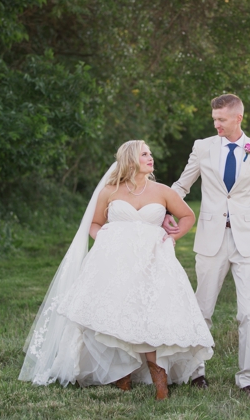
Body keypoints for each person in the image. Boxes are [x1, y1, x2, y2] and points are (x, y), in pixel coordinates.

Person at [20, 140, 214, 400]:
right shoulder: (109, 191)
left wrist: (173, 237)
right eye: (144, 154)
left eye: (150, 153)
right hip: (116, 263)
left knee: (149, 315)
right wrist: (106, 241)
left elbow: (188, 215)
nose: (150, 157)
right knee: (117, 312)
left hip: (152, 261)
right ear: (131, 159)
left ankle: (160, 383)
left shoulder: (162, 191)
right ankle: (120, 374)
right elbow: (95, 223)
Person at [163, 93, 250, 399]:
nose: (216, 124)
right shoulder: (203, 147)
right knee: (202, 309)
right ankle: (196, 372)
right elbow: (182, 185)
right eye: (214, 119)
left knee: (248, 314)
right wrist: (164, 209)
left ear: (238, 118)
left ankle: (247, 380)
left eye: (221, 119)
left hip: (247, 243)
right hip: (210, 239)